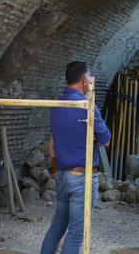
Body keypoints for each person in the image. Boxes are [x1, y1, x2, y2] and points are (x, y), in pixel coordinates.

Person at [41, 62, 112, 254]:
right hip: (82, 177)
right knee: (76, 233)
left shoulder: (56, 106)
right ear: (84, 81)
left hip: (63, 175)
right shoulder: (87, 107)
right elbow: (105, 139)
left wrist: (55, 168)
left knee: (57, 226)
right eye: (89, 78)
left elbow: (52, 144)